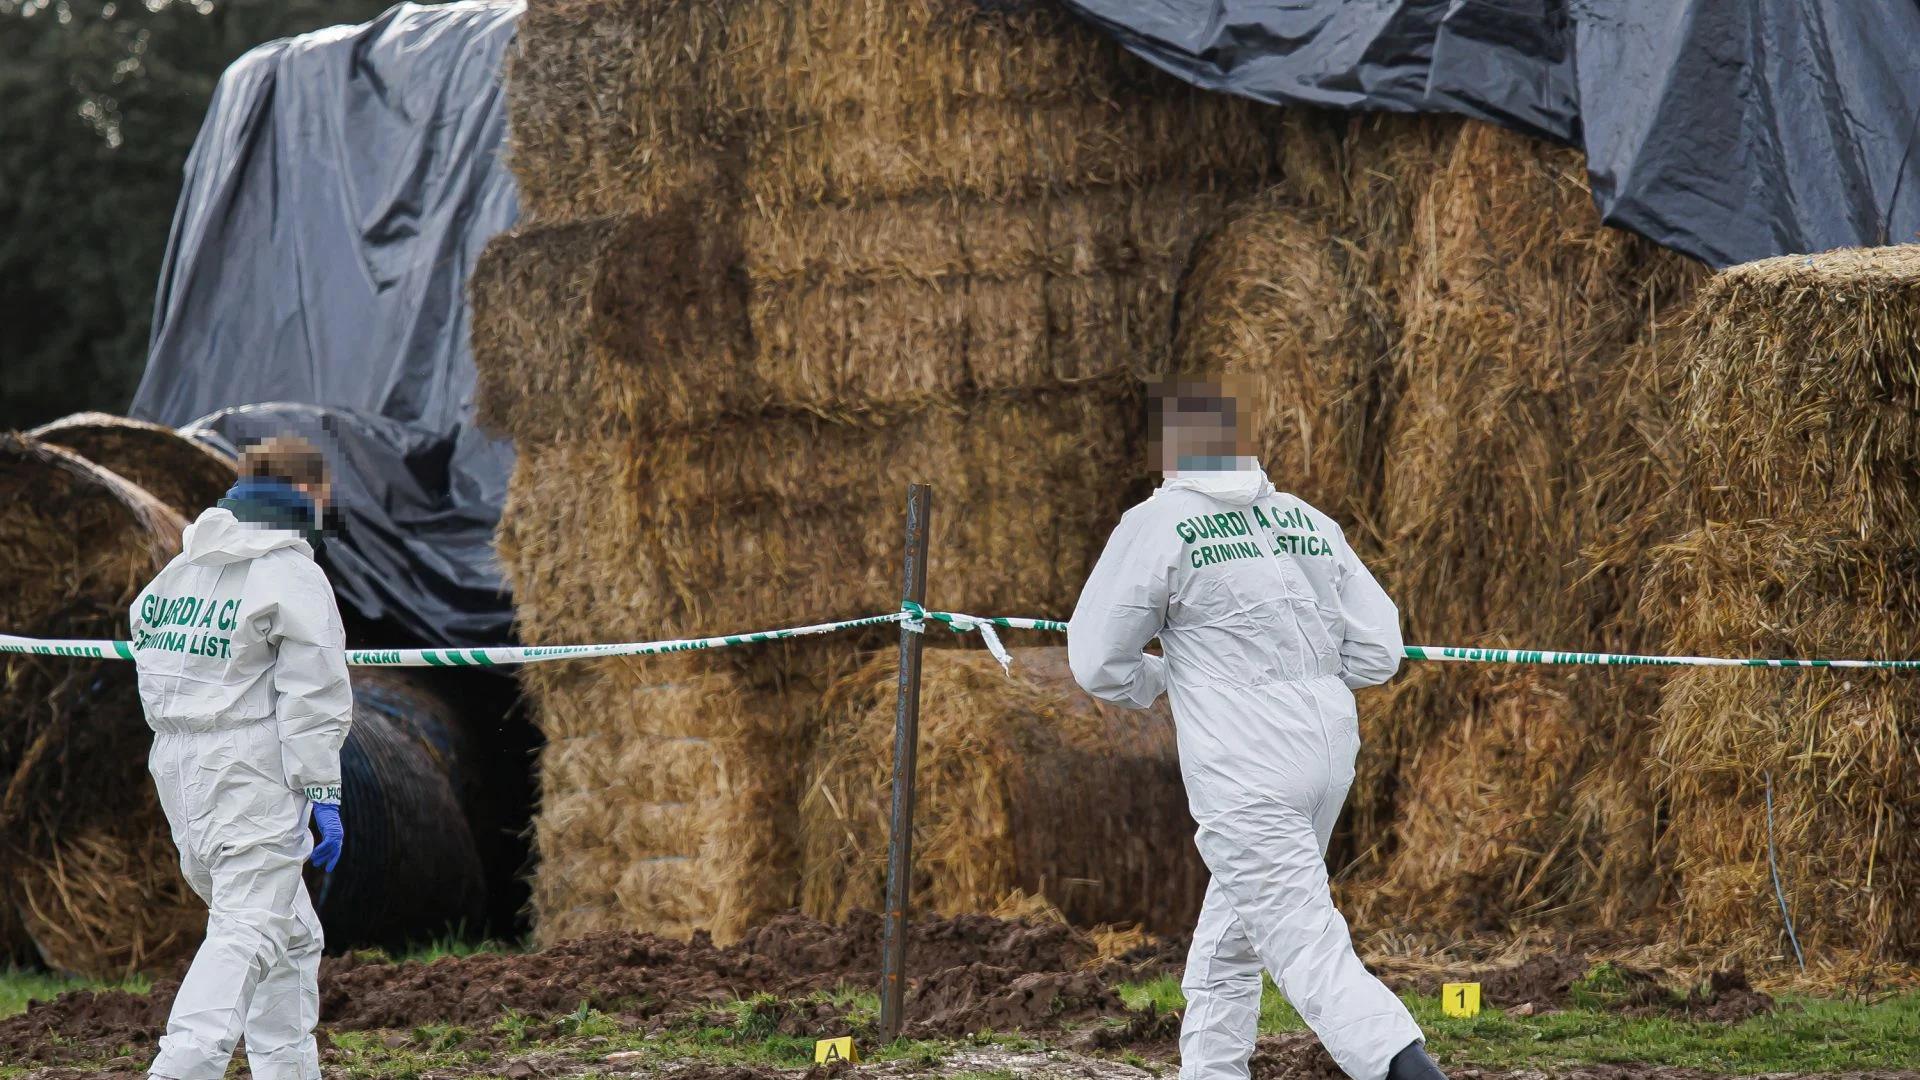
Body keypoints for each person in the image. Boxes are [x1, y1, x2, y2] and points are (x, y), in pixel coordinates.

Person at [1068, 377, 1444, 1080]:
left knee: (1304, 945)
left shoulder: (1157, 525)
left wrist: (1168, 680)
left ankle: (1405, 1067)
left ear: (1169, 456)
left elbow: (1096, 663)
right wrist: (1304, 679)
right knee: (1235, 934)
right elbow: (1380, 651)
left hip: (1244, 766)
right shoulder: (1304, 519)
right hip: (1328, 756)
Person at [131, 435, 352, 1080]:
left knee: (290, 935)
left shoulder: (185, 568)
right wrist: (324, 791)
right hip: (252, 769)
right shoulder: (291, 572)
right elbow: (315, 694)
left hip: (180, 767)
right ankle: (182, 1068)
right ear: (307, 492)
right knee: (247, 932)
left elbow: (148, 638)